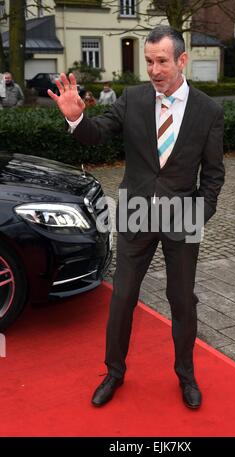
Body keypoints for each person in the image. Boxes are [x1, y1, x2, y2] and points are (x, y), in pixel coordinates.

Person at [48, 25, 225, 410]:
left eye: (162, 61)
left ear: (181, 60)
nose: (154, 70)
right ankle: (113, 372)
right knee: (123, 297)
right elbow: (98, 134)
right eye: (149, 61)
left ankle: (186, 375)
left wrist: (199, 213)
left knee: (182, 301)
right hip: (134, 214)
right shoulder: (132, 99)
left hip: (182, 217)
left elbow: (213, 175)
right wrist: (77, 121)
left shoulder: (209, 111)